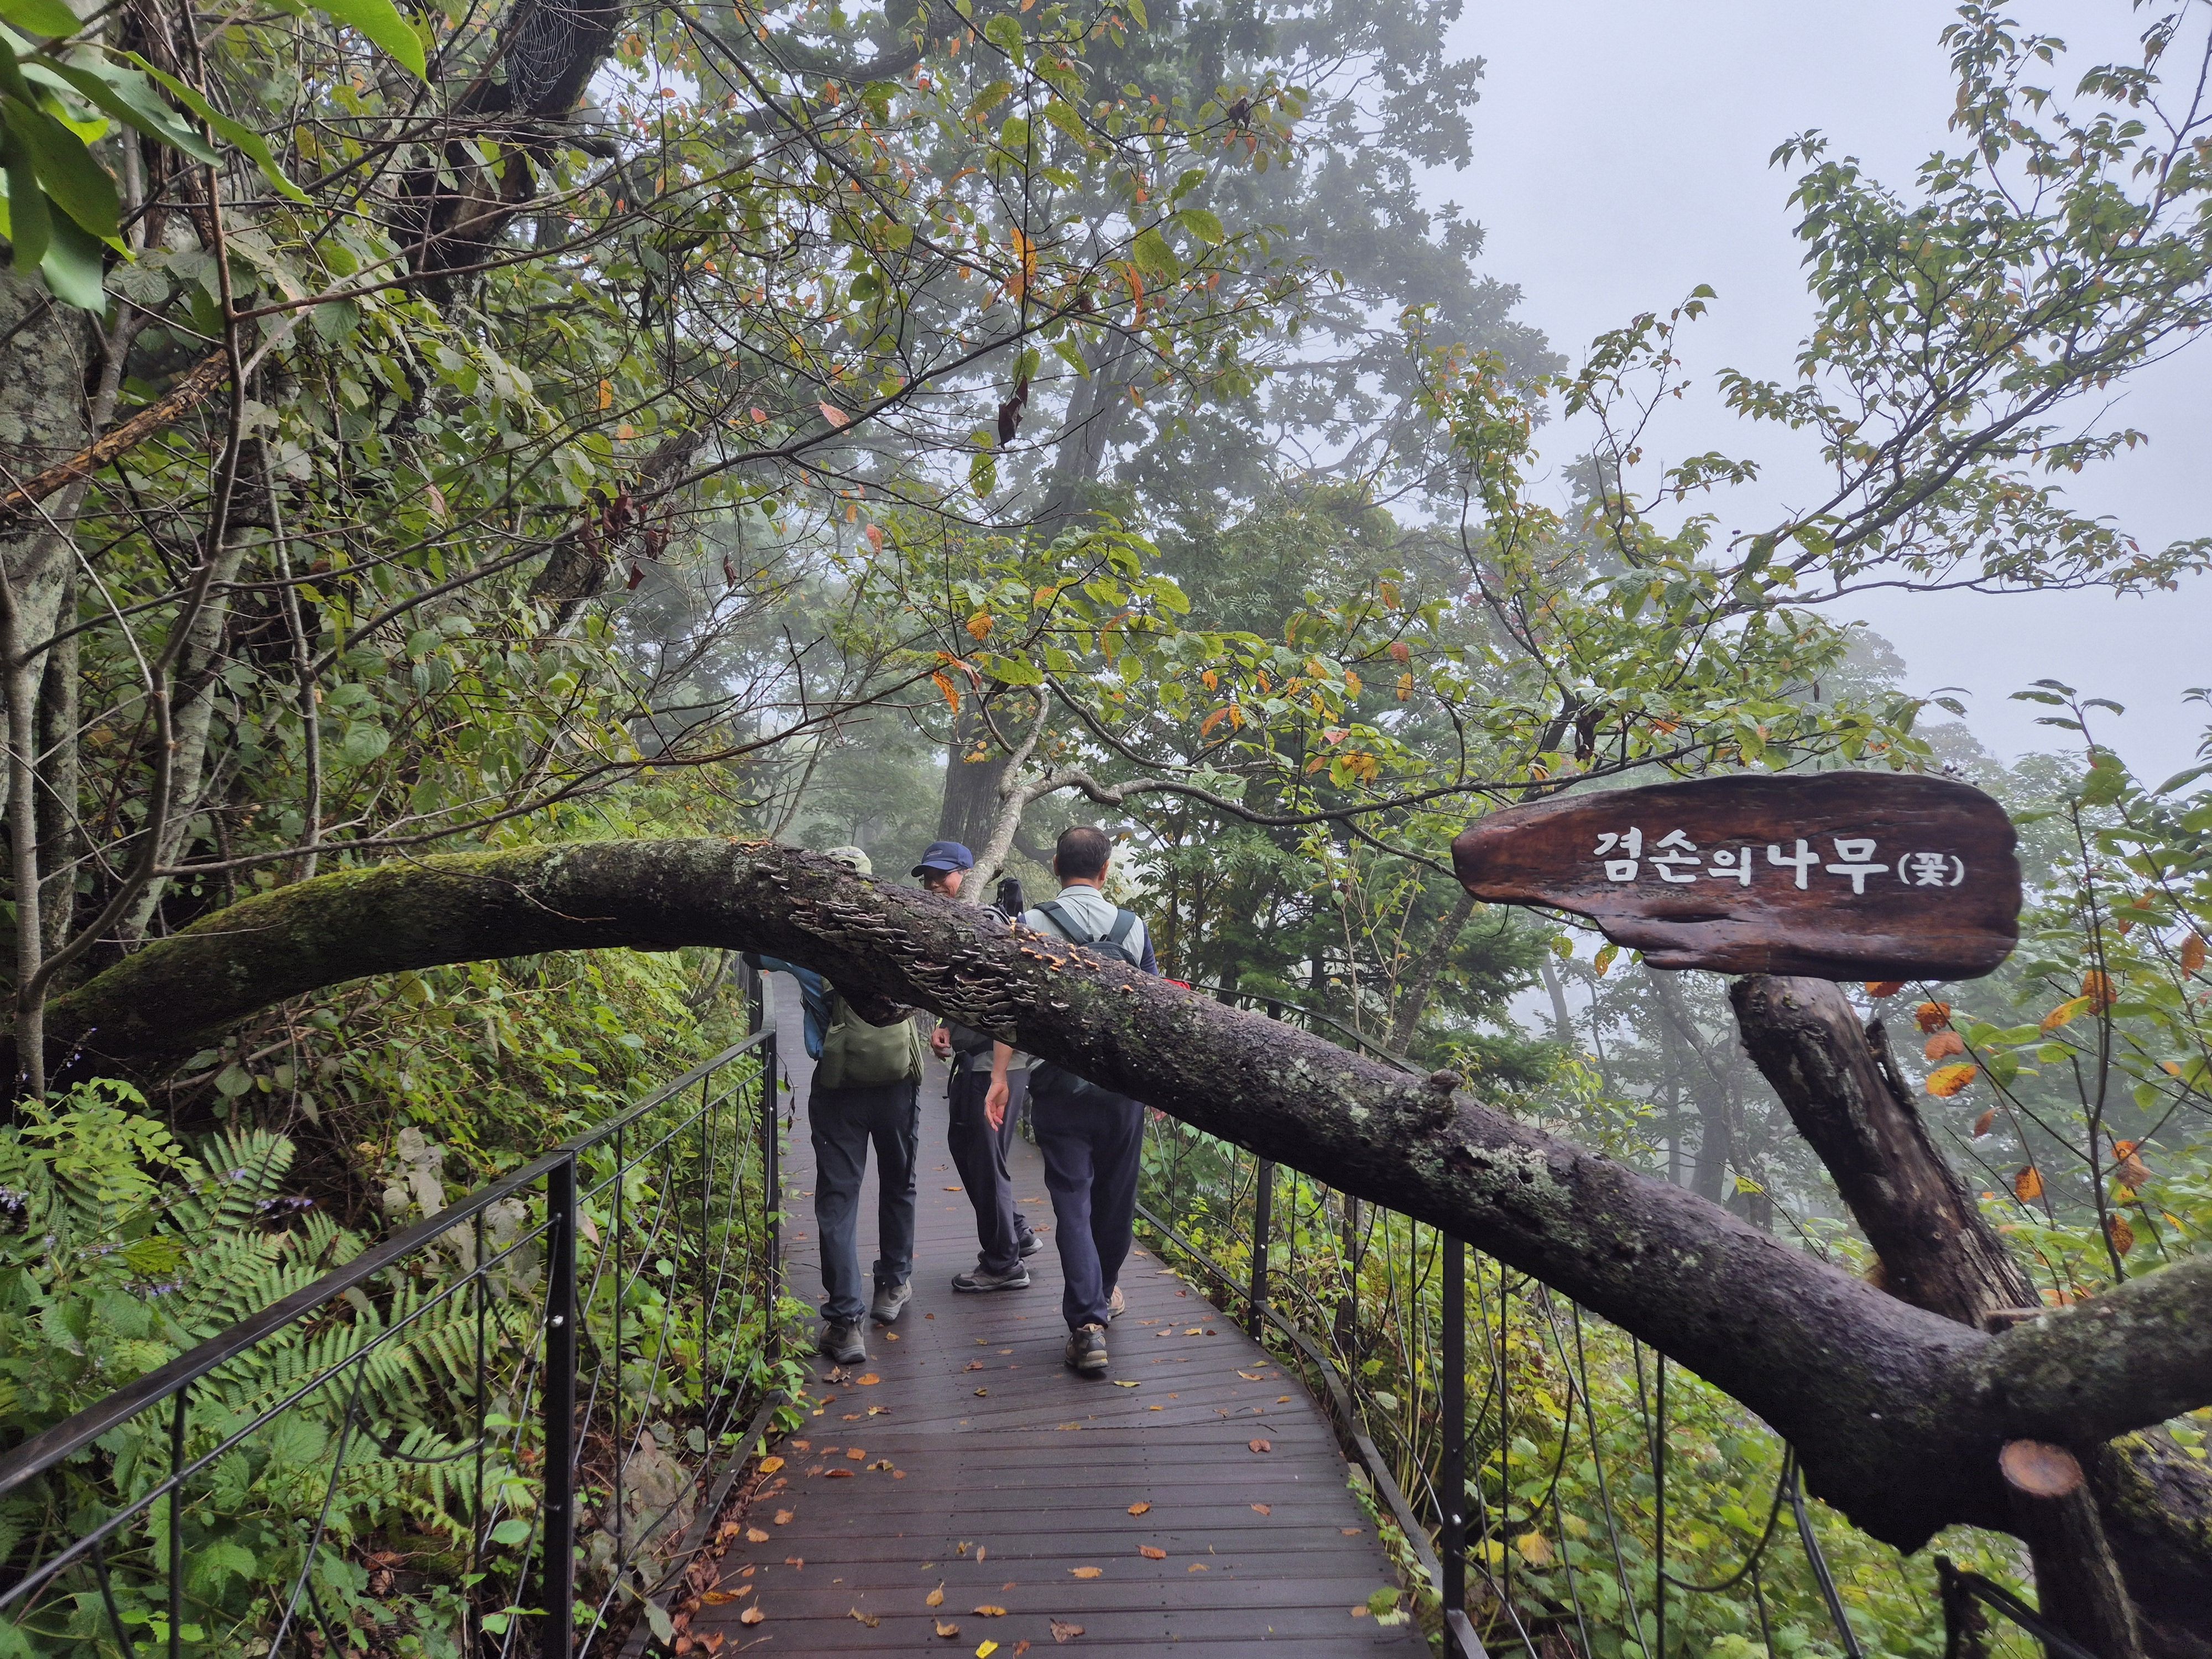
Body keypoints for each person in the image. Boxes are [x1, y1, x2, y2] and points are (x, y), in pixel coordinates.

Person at [984, 826, 1159, 1376]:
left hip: (1058, 1085)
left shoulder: (1030, 925)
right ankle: (1102, 1294)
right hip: (1122, 1089)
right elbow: (1154, 1011)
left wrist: (1000, 1075)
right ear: (1105, 872)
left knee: (1072, 1202)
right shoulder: (1132, 928)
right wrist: (1156, 1084)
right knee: (1116, 1201)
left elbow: (1013, 1007)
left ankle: (1087, 1325)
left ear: (1056, 866)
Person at [744, 846, 926, 1366]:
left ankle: (846, 1323)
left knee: (839, 1199)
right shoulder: (899, 935)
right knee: (900, 1182)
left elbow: (752, 955)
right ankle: (893, 1285)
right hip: (897, 1083)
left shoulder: (803, 945)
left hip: (838, 1085)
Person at [914, 841, 1042, 1292]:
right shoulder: (959, 926)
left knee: (983, 1161)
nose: (934, 883)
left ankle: (1004, 1263)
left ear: (967, 874)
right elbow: (968, 992)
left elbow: (1005, 995)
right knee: (972, 1152)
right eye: (928, 876)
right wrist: (946, 1026)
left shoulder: (984, 923)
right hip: (980, 1063)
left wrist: (999, 1073)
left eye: (943, 875)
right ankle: (1018, 1233)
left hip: (995, 1067)